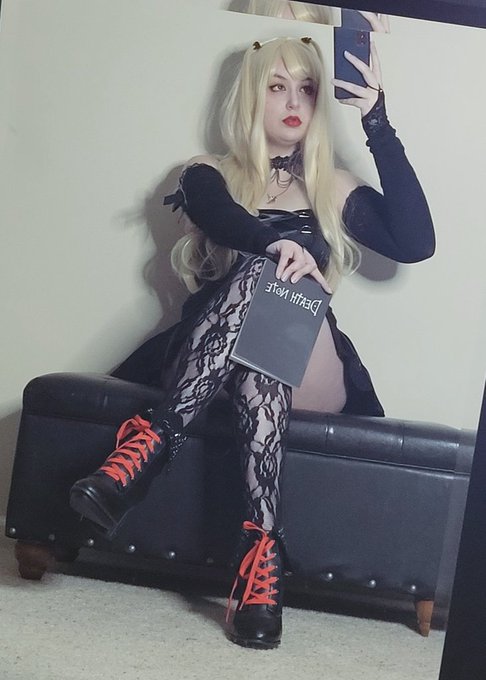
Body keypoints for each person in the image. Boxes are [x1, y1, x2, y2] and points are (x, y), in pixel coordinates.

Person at [69, 36, 435, 650]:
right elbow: (219, 216)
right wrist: (274, 243)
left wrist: (377, 120)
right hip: (209, 368)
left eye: (307, 89)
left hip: (309, 366)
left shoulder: (332, 185)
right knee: (263, 291)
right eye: (277, 86)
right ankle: (260, 564)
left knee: (275, 295)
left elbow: (417, 242)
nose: (294, 102)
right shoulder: (207, 172)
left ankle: (153, 441)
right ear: (251, 96)